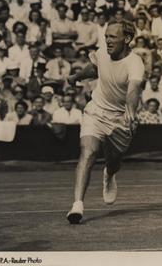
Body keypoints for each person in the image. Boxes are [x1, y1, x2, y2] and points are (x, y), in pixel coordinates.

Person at [66, 19, 145, 224]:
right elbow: (94, 69)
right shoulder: (102, 52)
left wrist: (130, 112)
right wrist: (76, 76)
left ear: (127, 39)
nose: (108, 40)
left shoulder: (135, 63)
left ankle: (109, 174)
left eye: (112, 37)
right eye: (106, 36)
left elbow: (133, 89)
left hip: (119, 119)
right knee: (88, 152)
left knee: (114, 162)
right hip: (95, 112)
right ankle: (77, 205)